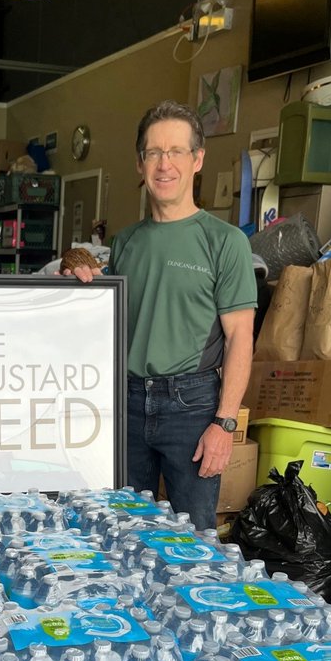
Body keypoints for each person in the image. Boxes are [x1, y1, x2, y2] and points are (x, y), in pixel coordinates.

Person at [68, 100, 256, 529]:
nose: (164, 164)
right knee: (123, 530)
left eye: (176, 152)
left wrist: (224, 424)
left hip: (191, 406)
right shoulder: (126, 242)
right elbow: (111, 318)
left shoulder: (224, 241)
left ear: (198, 160)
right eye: (154, 152)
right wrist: (80, 284)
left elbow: (240, 338)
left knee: (193, 540)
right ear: (140, 163)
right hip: (127, 402)